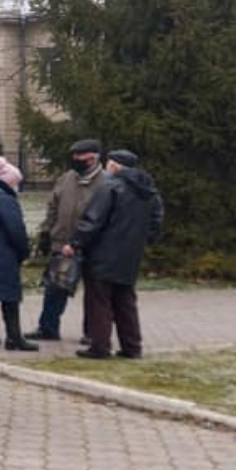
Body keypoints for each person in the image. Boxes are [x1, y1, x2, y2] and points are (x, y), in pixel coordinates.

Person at [67, 150, 164, 360]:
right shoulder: (149, 191)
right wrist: (140, 242)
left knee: (99, 301)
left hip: (103, 254)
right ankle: (132, 346)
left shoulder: (110, 187)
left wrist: (76, 242)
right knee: (126, 301)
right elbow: (156, 222)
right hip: (130, 256)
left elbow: (93, 220)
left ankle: (100, 346)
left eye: (109, 164)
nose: (107, 167)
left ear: (116, 166)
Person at [28, 140, 105, 343]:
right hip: (62, 243)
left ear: (93, 157)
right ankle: (48, 328)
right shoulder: (66, 179)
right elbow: (52, 206)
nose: (75, 160)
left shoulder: (106, 183)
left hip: (94, 246)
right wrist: (46, 233)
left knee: (95, 292)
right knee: (54, 288)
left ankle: (92, 333)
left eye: (80, 156)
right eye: (74, 156)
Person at [0, 157, 36, 351]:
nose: (17, 186)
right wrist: (24, 252)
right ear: (7, 181)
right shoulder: (5, 199)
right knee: (10, 298)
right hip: (4, 255)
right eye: (15, 182)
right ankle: (14, 337)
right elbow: (16, 230)